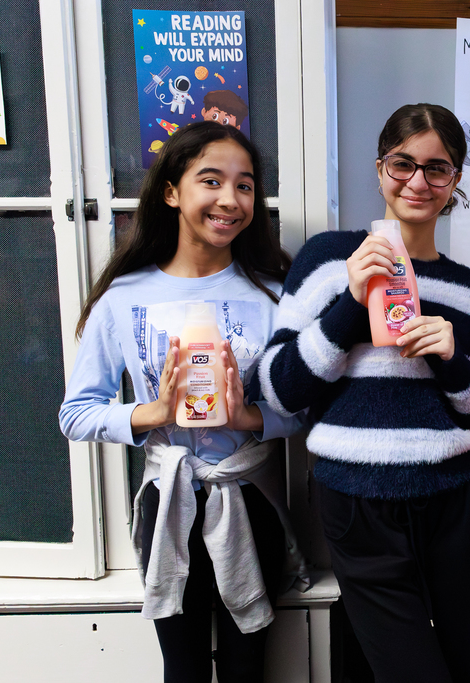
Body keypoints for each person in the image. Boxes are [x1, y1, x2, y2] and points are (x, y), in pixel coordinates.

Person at [257, 103, 470, 683]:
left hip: (457, 501)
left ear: (455, 181)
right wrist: (350, 301)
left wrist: (452, 361)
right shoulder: (326, 260)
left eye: (437, 169)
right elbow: (278, 390)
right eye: (403, 164)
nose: (419, 182)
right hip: (356, 500)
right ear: (379, 170)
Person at [59, 121, 307, 683]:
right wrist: (153, 412)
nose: (230, 199)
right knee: (184, 669)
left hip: (250, 499)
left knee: (249, 669)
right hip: (166, 503)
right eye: (211, 181)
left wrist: (252, 416)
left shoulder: (273, 293)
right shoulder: (125, 298)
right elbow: (76, 412)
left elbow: (307, 407)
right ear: (171, 192)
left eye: (245, 186)